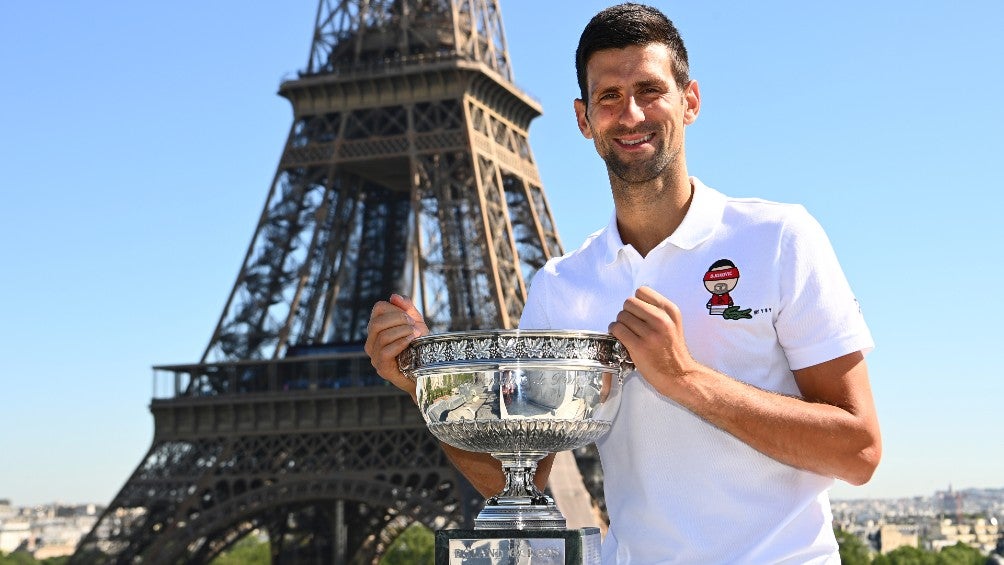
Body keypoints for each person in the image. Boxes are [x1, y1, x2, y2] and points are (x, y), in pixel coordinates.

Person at [365, 3, 882, 563]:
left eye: (650, 89)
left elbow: (860, 451)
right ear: (584, 119)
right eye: (609, 96)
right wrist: (427, 387)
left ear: (691, 102)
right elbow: (522, 487)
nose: (631, 113)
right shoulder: (560, 287)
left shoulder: (780, 238)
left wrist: (685, 378)